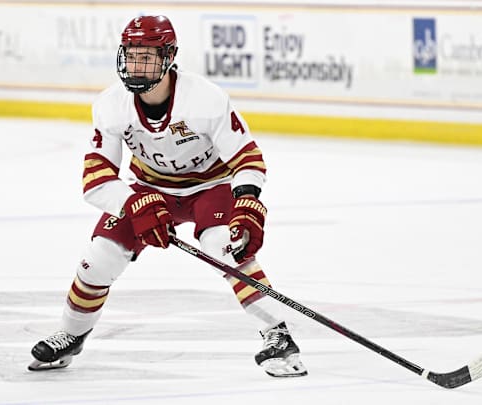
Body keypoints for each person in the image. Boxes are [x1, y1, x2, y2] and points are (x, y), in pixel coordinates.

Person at [28, 15, 307, 378]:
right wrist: (133, 202)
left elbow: (247, 158)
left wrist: (248, 202)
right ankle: (72, 333)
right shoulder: (111, 105)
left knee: (226, 245)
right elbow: (96, 180)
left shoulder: (205, 98)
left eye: (147, 57)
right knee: (100, 258)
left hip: (211, 186)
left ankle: (277, 333)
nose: (136, 65)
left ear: (169, 57)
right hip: (150, 189)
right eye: (131, 55)